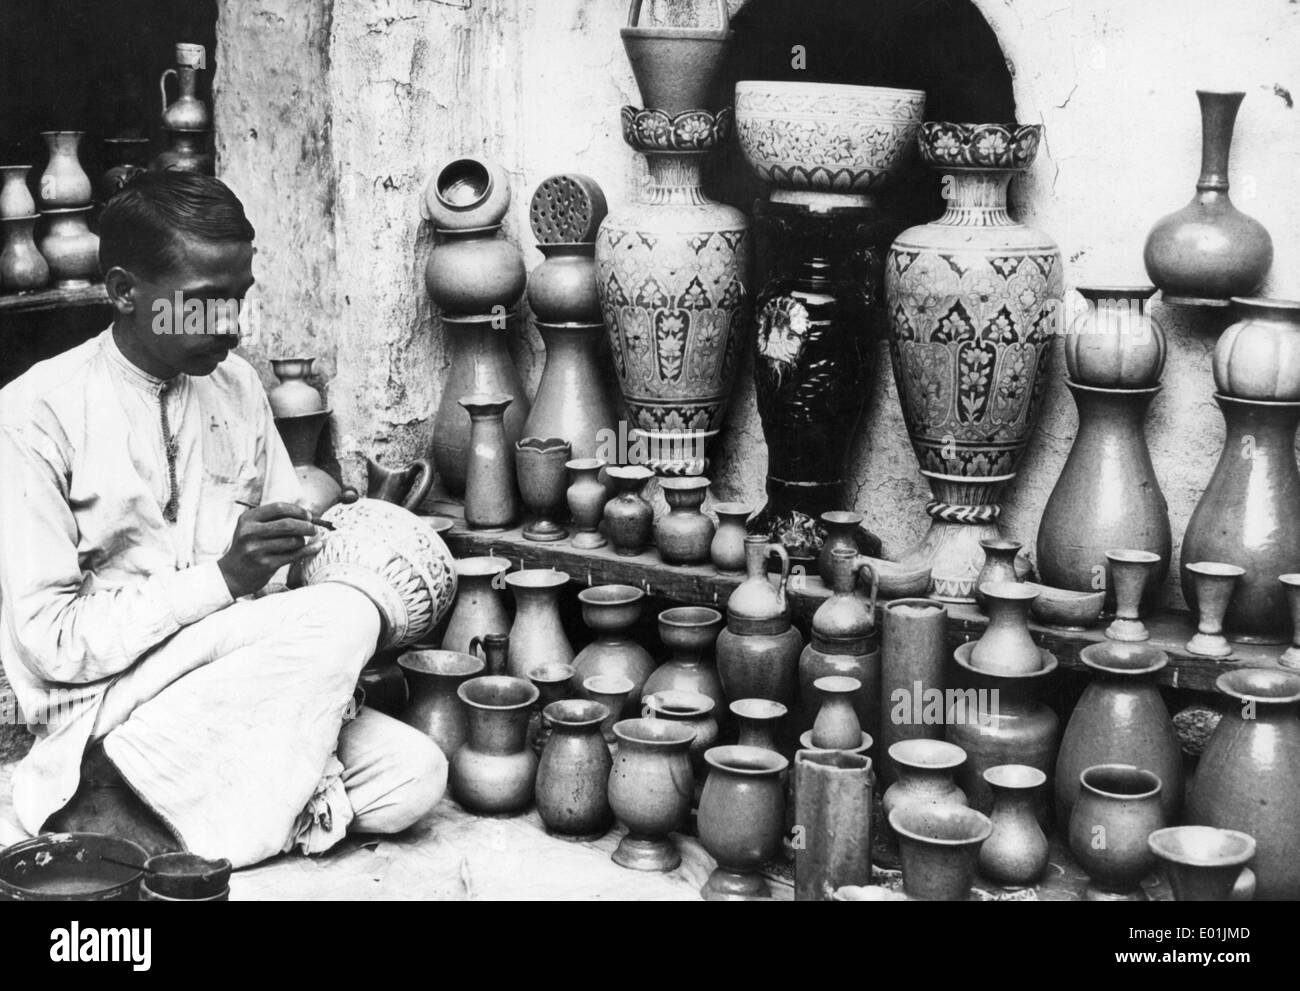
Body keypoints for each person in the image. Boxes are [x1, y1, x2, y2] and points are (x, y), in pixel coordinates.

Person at [0, 171, 445, 868]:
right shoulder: (35, 413)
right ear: (123, 292)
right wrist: (224, 579)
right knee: (342, 618)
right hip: (102, 707)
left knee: (414, 773)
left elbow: (280, 585)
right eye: (205, 305)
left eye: (238, 300)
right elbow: (51, 644)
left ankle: (141, 823)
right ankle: (117, 800)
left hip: (224, 687)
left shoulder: (235, 386)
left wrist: (304, 554)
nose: (232, 327)